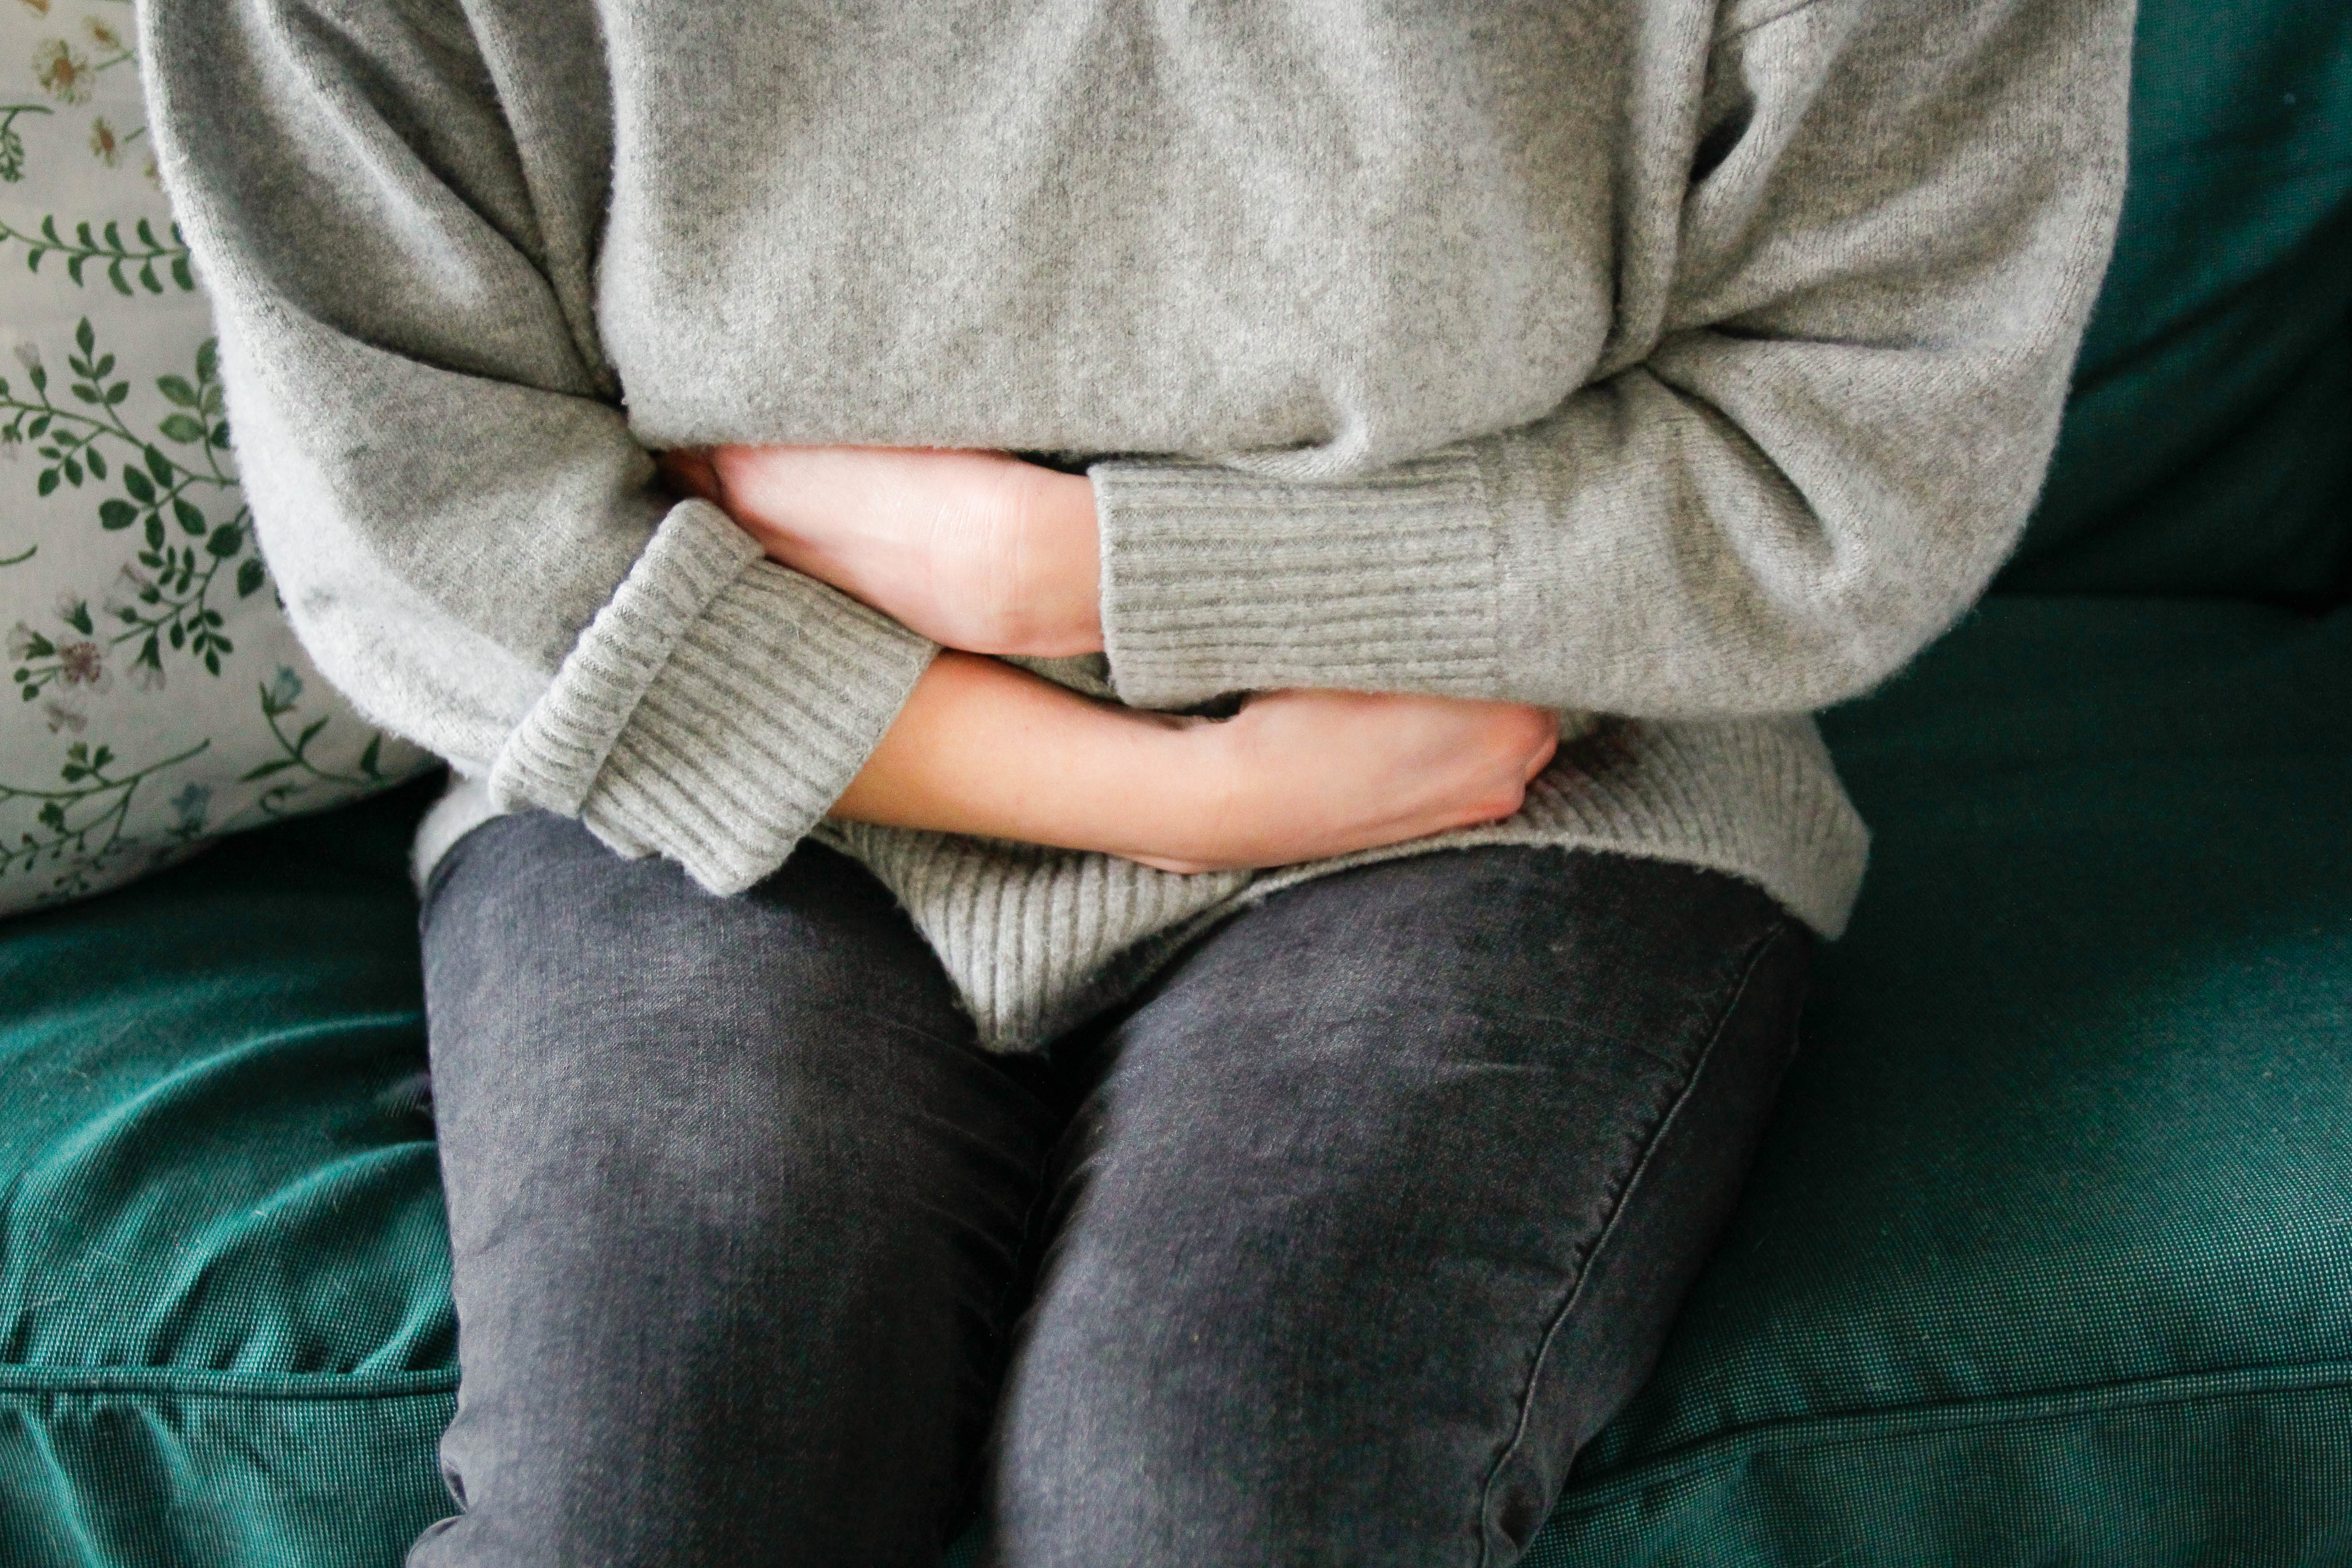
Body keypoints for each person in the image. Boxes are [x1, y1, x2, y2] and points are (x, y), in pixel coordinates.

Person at [141, 0, 2133, 1561]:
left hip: (1518, 751)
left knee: (1213, 1474)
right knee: (659, 1479)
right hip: (721, 772)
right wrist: (1194, 792)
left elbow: (1843, 456)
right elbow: (426, 510)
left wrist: (1081, 571)